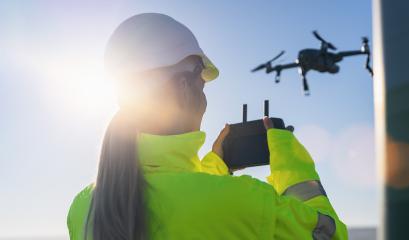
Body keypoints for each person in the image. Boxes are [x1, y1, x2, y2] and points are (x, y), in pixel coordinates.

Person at [66, 13, 348, 240]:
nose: (204, 97)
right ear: (183, 85)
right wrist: (289, 157)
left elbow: (183, 201)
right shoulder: (244, 201)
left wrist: (215, 165)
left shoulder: (83, 208)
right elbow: (331, 234)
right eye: (202, 83)